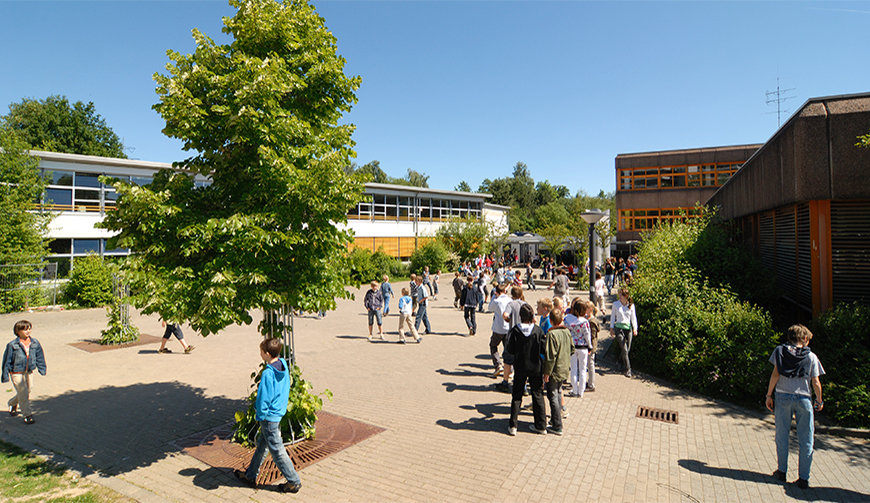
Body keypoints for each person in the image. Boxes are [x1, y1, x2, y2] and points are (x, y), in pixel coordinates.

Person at [234, 338, 302, 493]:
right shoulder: (283, 366)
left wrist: (260, 415)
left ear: (266, 353)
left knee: (277, 450)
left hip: (269, 416)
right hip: (278, 412)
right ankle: (250, 475)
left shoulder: (268, 374)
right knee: (262, 445)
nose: (260, 354)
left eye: (261, 352)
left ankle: (293, 481)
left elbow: (264, 397)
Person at [766, 324, 825, 489]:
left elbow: (775, 374)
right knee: (806, 439)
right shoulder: (811, 356)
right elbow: (816, 382)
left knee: (782, 435)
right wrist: (819, 400)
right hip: (804, 399)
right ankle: (803, 478)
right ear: (805, 338)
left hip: (783, 395)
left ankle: (781, 472)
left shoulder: (780, 351)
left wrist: (769, 395)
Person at [506, 304, 546, 436]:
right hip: (535, 367)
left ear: (520, 317)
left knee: (517, 395)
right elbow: (543, 349)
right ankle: (541, 425)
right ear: (532, 316)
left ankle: (513, 425)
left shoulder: (515, 331)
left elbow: (510, 349)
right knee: (537, 394)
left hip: (520, 366)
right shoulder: (538, 331)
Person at [3, 320, 47, 425]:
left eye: (29, 328)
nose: (28, 331)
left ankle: (12, 403)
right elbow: (6, 360)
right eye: (25, 329)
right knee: (23, 393)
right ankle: (27, 415)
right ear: (18, 331)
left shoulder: (35, 342)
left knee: (28, 390)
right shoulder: (12, 345)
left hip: (29, 370)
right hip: (16, 372)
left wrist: (42, 368)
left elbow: (40, 356)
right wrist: (5, 375)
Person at [542, 309, 572, 435]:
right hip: (564, 368)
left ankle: (557, 424)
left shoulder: (551, 334)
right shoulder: (566, 332)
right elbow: (572, 349)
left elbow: (550, 356)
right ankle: (556, 419)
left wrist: (546, 373)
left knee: (552, 395)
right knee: (559, 392)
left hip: (554, 370)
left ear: (551, 320)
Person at [564, 298, 590, 398]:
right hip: (583, 347)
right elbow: (587, 335)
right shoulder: (584, 322)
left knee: (573, 369)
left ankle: (574, 390)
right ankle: (581, 392)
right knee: (583, 369)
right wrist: (590, 346)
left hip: (572, 346)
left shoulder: (567, 319)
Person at [610, 288, 638, 378]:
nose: (619, 296)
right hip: (619, 328)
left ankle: (619, 362)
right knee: (624, 349)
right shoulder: (616, 304)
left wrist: (635, 328)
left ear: (626, 296)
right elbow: (612, 317)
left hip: (628, 328)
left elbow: (633, 318)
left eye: (621, 295)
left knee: (627, 349)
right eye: (619, 294)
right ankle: (628, 369)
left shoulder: (631, 305)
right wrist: (611, 328)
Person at [488, 284, 511, 379]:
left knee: (493, 346)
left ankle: (498, 365)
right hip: (508, 328)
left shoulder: (497, 301)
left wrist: (494, 296)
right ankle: (510, 369)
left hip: (498, 328)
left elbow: (490, 308)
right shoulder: (510, 300)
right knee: (508, 349)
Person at [584, 301, 600, 392]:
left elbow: (592, 336)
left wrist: (589, 347)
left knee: (590, 365)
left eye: (585, 308)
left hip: (591, 346)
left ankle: (591, 384)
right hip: (589, 346)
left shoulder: (592, 322)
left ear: (590, 309)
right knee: (589, 364)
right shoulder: (588, 318)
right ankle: (589, 381)